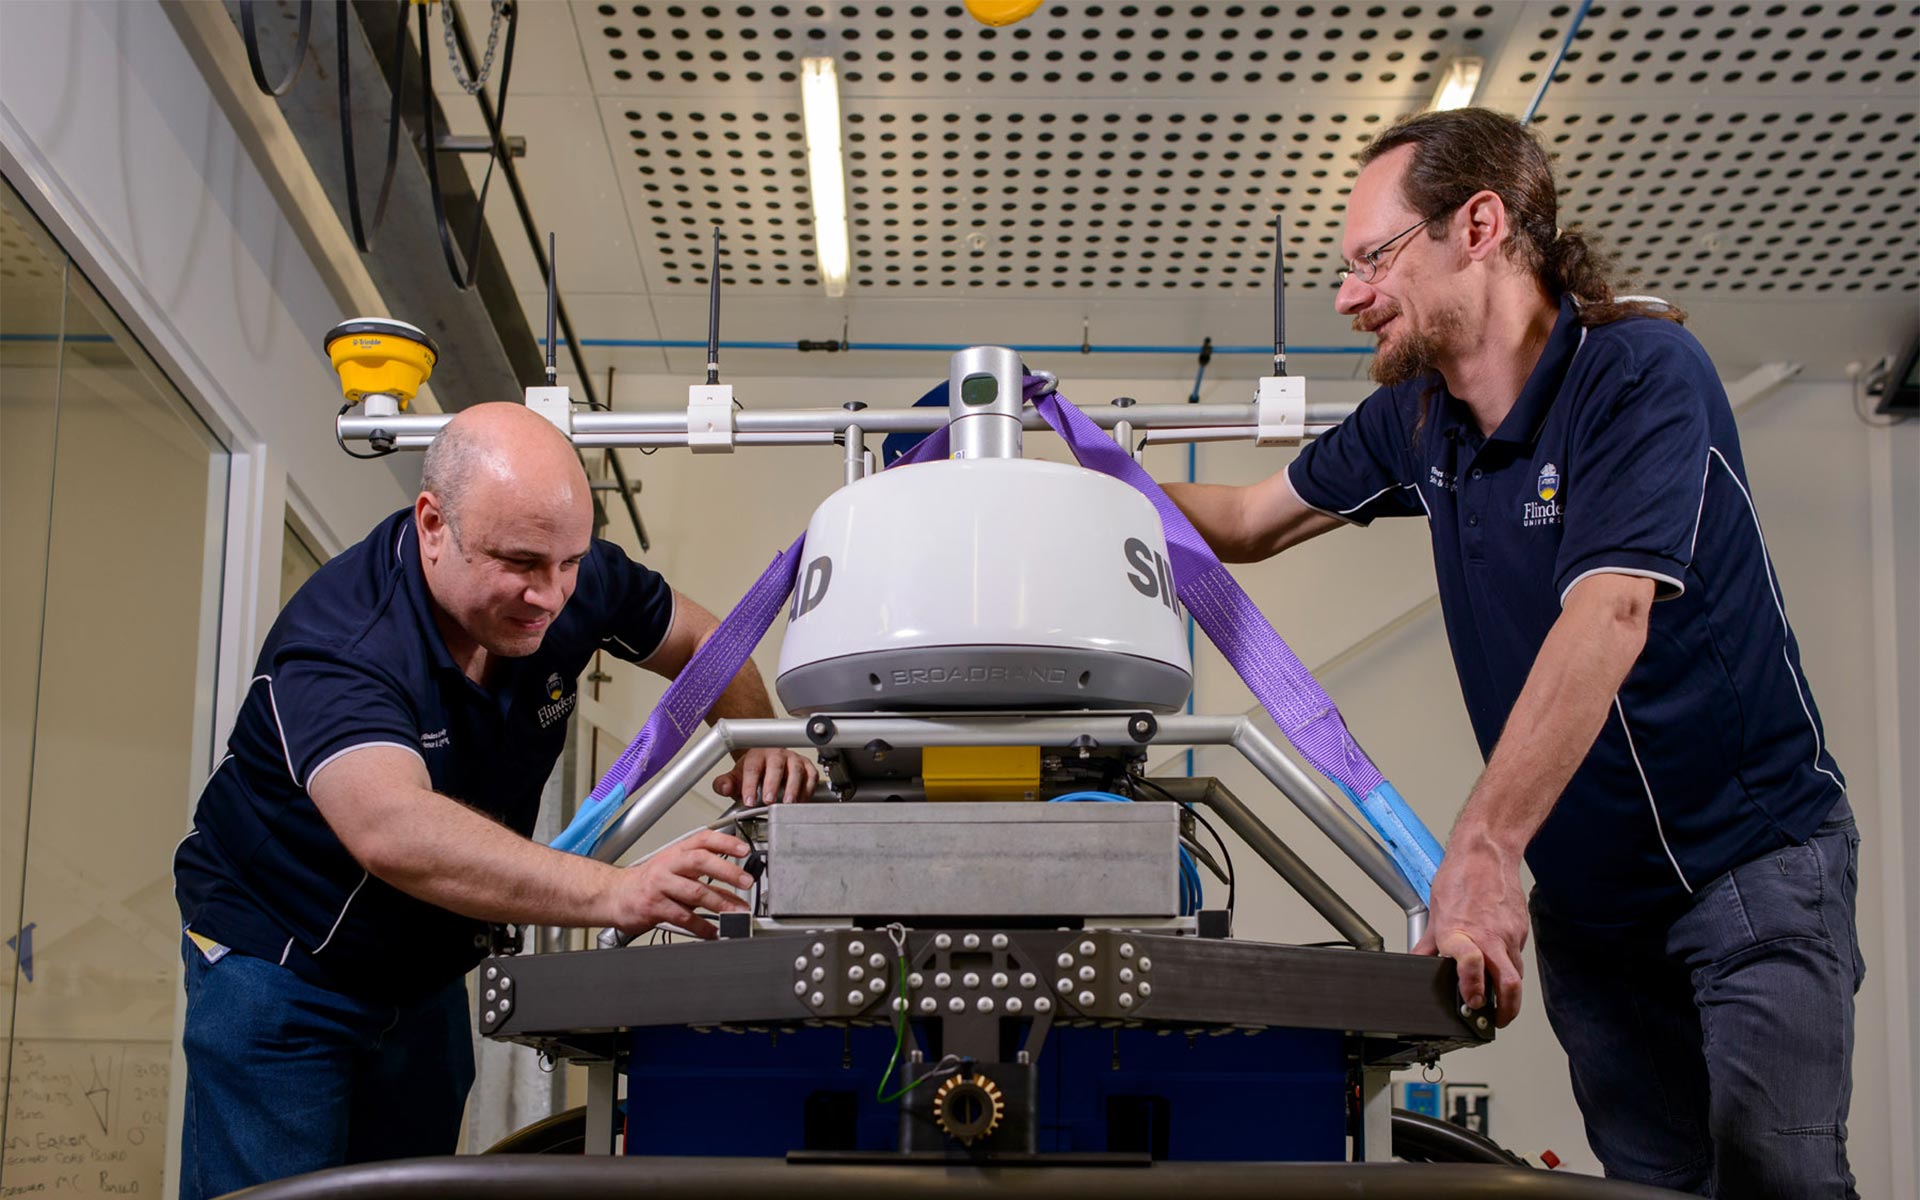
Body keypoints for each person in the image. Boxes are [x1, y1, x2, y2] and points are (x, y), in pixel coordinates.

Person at [1166, 109, 1861, 1198]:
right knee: (1651, 1185)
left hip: (1750, 863)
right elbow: (1249, 520)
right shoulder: (1419, 420)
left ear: (1479, 225)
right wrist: (1070, 487)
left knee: (1776, 1177)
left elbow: (1610, 617)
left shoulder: (1637, 376)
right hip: (1595, 906)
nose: (1349, 296)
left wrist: (1482, 854)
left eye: (1372, 260)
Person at [173, 402, 817, 1199]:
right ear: (433, 522)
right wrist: (618, 892)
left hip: (421, 971)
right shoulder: (342, 642)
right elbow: (394, 831)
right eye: (520, 564)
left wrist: (755, 743)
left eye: (569, 563)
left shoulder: (565, 574)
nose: (550, 596)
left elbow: (703, 645)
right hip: (281, 962)